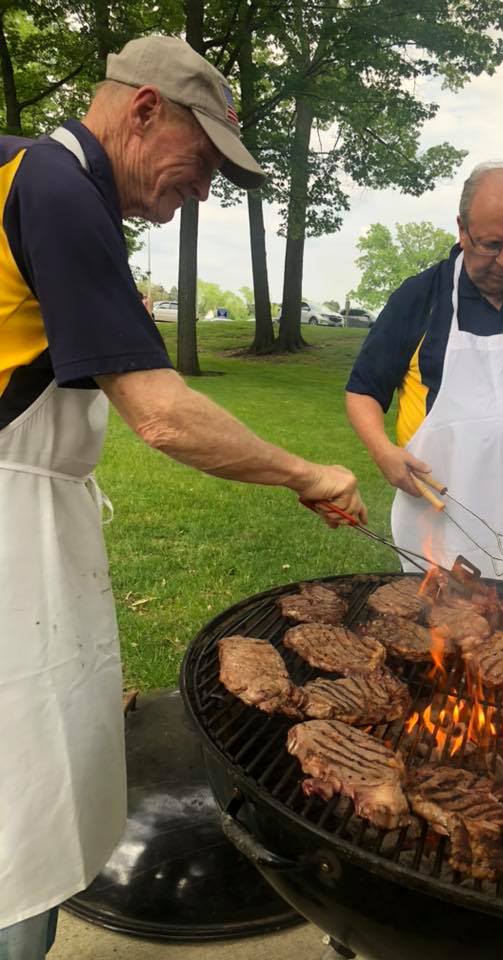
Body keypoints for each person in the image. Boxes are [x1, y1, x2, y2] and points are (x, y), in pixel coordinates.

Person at [0, 34, 366, 957]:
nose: (201, 188)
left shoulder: (17, 170)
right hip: (9, 531)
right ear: (143, 110)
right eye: (200, 162)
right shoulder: (56, 193)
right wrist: (309, 473)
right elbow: (162, 415)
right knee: (21, 812)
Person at [346, 162, 503, 592]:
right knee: (445, 643)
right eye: (491, 244)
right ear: (462, 230)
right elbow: (362, 392)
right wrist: (382, 451)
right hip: (443, 517)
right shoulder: (420, 298)